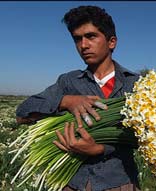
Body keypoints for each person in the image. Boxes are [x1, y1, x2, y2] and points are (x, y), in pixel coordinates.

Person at [16, 5, 140, 191]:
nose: (83, 45)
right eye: (77, 39)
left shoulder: (136, 85)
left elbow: (143, 138)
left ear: (111, 42)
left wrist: (100, 149)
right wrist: (66, 101)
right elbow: (23, 112)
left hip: (120, 182)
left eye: (91, 36)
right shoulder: (68, 81)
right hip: (74, 183)